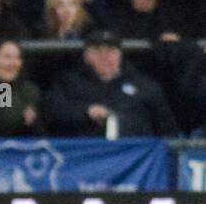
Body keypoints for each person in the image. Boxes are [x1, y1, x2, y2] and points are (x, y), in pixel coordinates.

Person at [43, 29, 177, 136]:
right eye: (97, 51)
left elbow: (167, 129)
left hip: (134, 162)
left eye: (111, 51)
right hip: (85, 161)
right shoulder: (68, 83)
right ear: (86, 56)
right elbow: (50, 112)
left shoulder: (145, 86)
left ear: (120, 55)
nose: (105, 57)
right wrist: (86, 112)